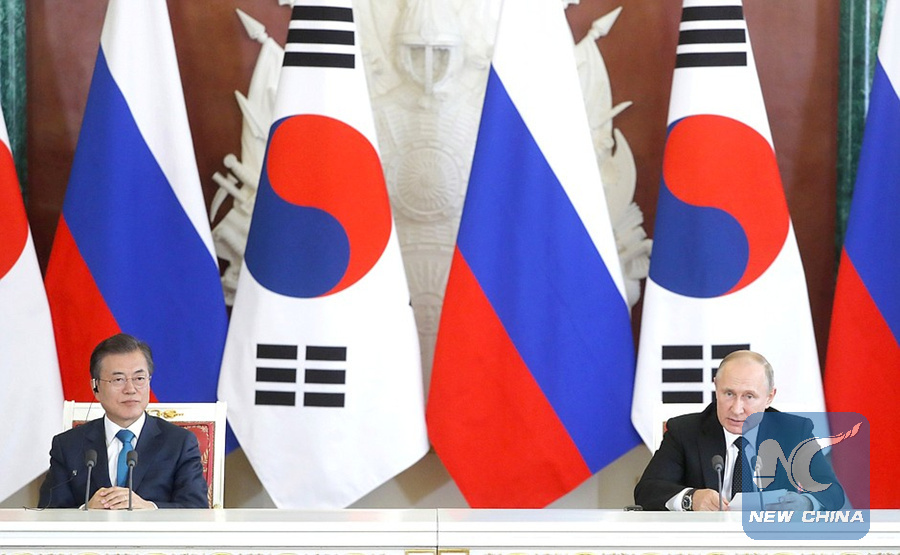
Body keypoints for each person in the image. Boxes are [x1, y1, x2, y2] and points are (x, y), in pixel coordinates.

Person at [634, 350, 843, 512]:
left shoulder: (793, 432)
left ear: (769, 397)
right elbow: (647, 490)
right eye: (728, 394)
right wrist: (690, 498)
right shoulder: (684, 431)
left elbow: (832, 491)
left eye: (749, 397)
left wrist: (806, 503)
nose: (736, 409)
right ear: (716, 387)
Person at [38, 333, 209, 509]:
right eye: (118, 380)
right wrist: (86, 510)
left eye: (139, 379)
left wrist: (150, 508)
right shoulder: (67, 445)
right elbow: (47, 512)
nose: (130, 389)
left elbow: (197, 509)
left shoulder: (179, 443)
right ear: (96, 388)